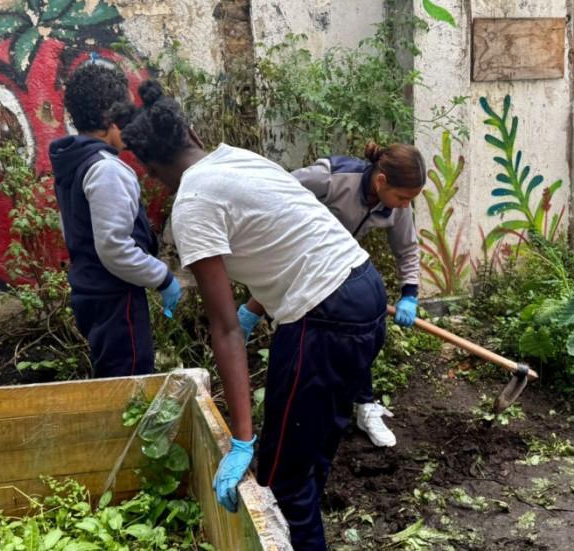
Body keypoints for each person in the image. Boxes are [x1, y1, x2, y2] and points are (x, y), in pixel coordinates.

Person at [122, 81, 387, 550]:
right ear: (193, 133)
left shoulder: (192, 206)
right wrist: (254, 308)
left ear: (150, 171)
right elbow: (288, 241)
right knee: (313, 446)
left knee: (281, 483)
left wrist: (241, 441)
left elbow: (223, 329)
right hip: (364, 290)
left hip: (321, 319)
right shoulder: (237, 157)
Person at [237, 144, 426, 448]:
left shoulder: (396, 206)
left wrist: (410, 293)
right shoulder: (330, 179)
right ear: (380, 181)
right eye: (403, 197)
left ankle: (364, 406)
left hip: (340, 267)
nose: (406, 205)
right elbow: (273, 190)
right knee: (299, 334)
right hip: (297, 256)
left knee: (360, 333)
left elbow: (406, 248)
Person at [49, 63, 181, 377]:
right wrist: (162, 277)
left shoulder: (74, 160)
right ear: (111, 120)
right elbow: (114, 247)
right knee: (130, 381)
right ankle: (122, 429)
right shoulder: (107, 169)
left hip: (91, 291)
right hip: (115, 298)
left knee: (110, 375)